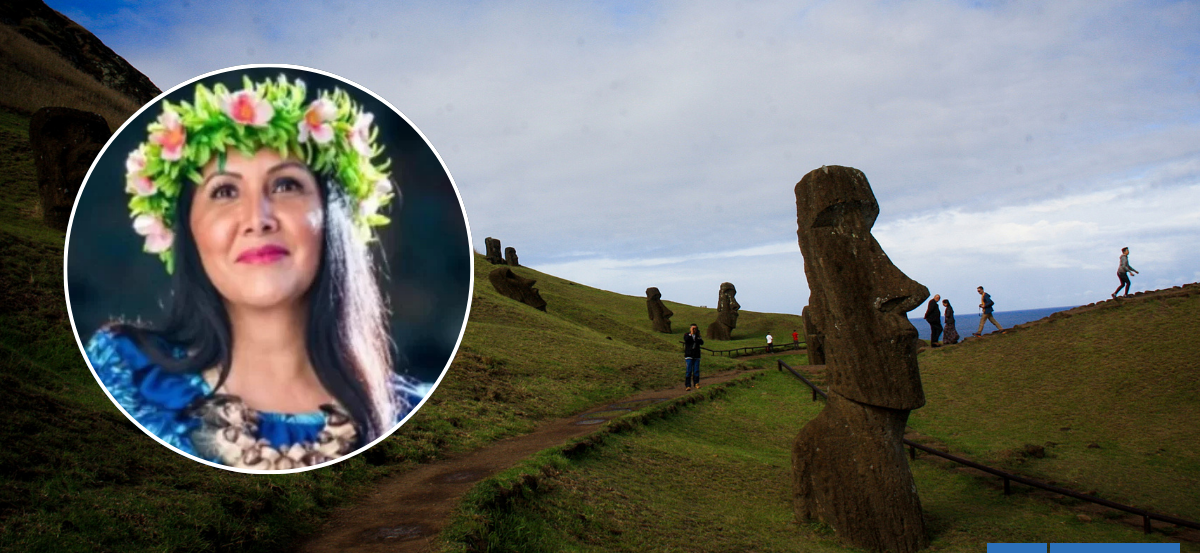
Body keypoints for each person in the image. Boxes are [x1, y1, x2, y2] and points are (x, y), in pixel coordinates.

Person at [83, 74, 427, 470]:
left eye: (285, 185)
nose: (257, 219)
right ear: (186, 232)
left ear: (334, 220)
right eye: (225, 191)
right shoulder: (123, 370)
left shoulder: (407, 409)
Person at [683, 323, 704, 391]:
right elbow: (687, 340)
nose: (694, 330)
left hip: (696, 356)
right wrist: (691, 334)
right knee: (689, 371)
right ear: (690, 328)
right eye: (693, 328)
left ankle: (696, 383)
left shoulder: (698, 336)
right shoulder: (687, 335)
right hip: (689, 355)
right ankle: (688, 385)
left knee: (696, 370)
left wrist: (699, 336)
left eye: (695, 328)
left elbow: (701, 343)